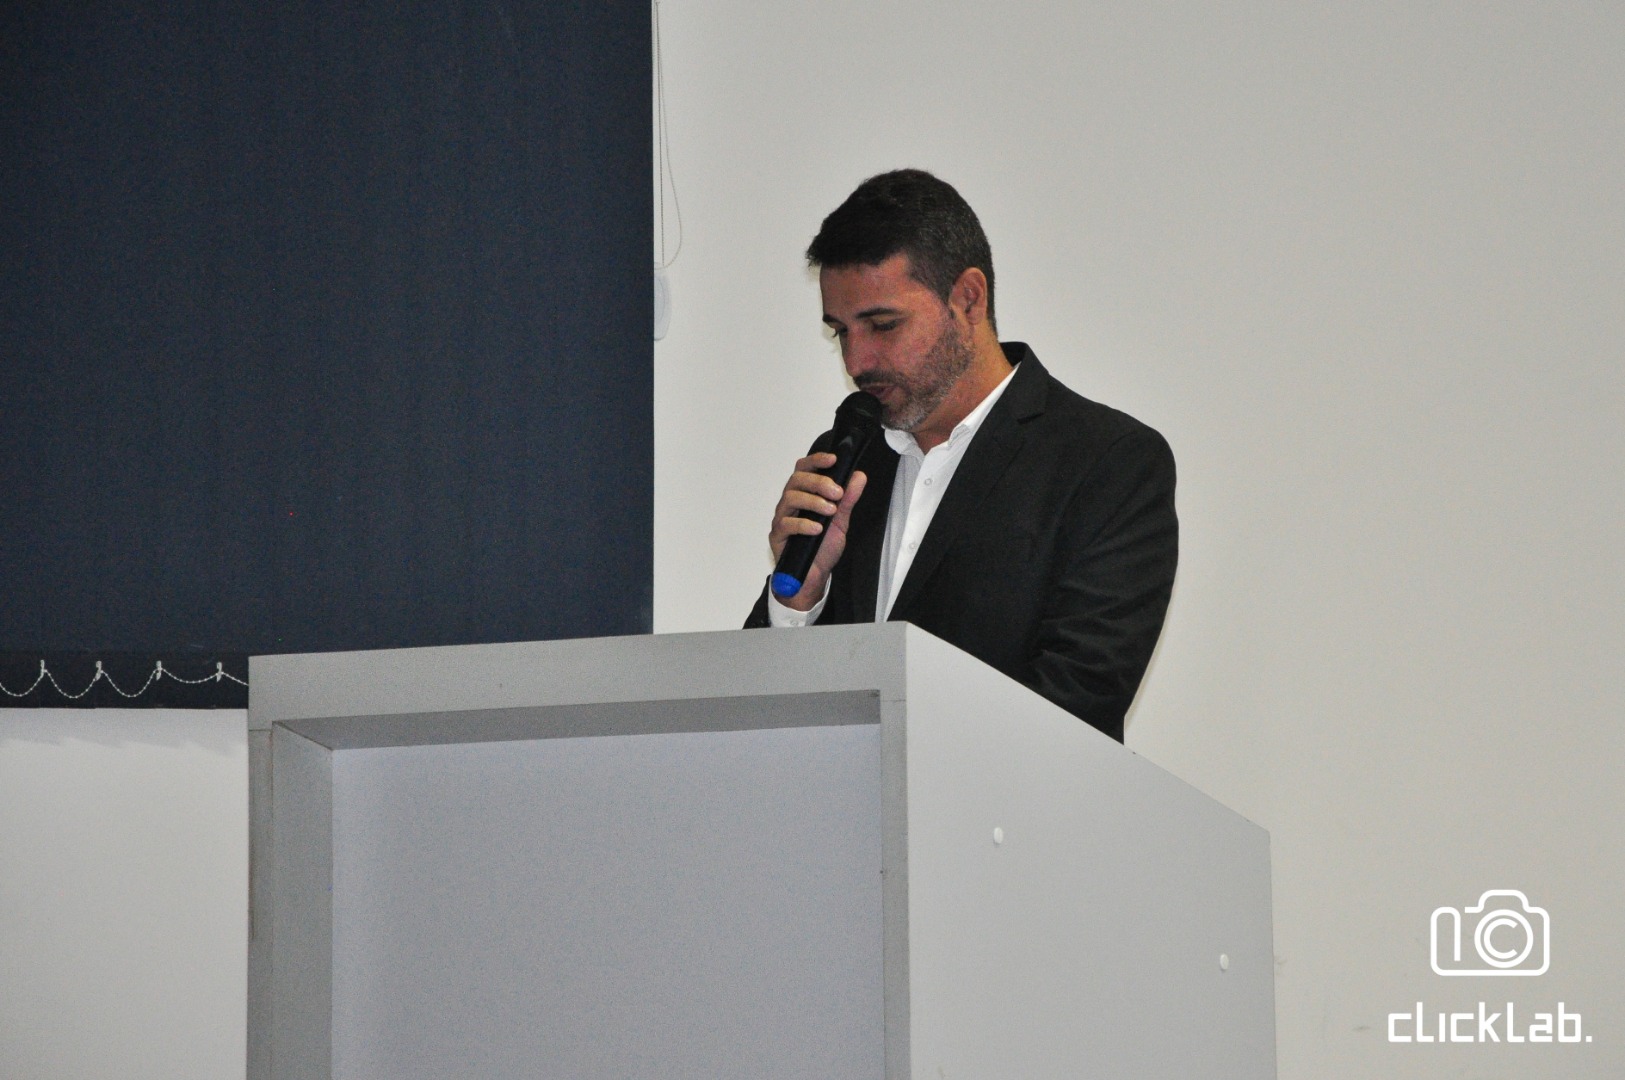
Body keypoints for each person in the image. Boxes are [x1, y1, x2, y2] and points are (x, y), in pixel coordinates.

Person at [745, 169, 1176, 742]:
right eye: (841, 332)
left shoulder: (1106, 464)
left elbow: (1077, 704)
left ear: (969, 299)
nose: (856, 361)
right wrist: (799, 601)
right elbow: (755, 718)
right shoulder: (845, 462)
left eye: (882, 325)